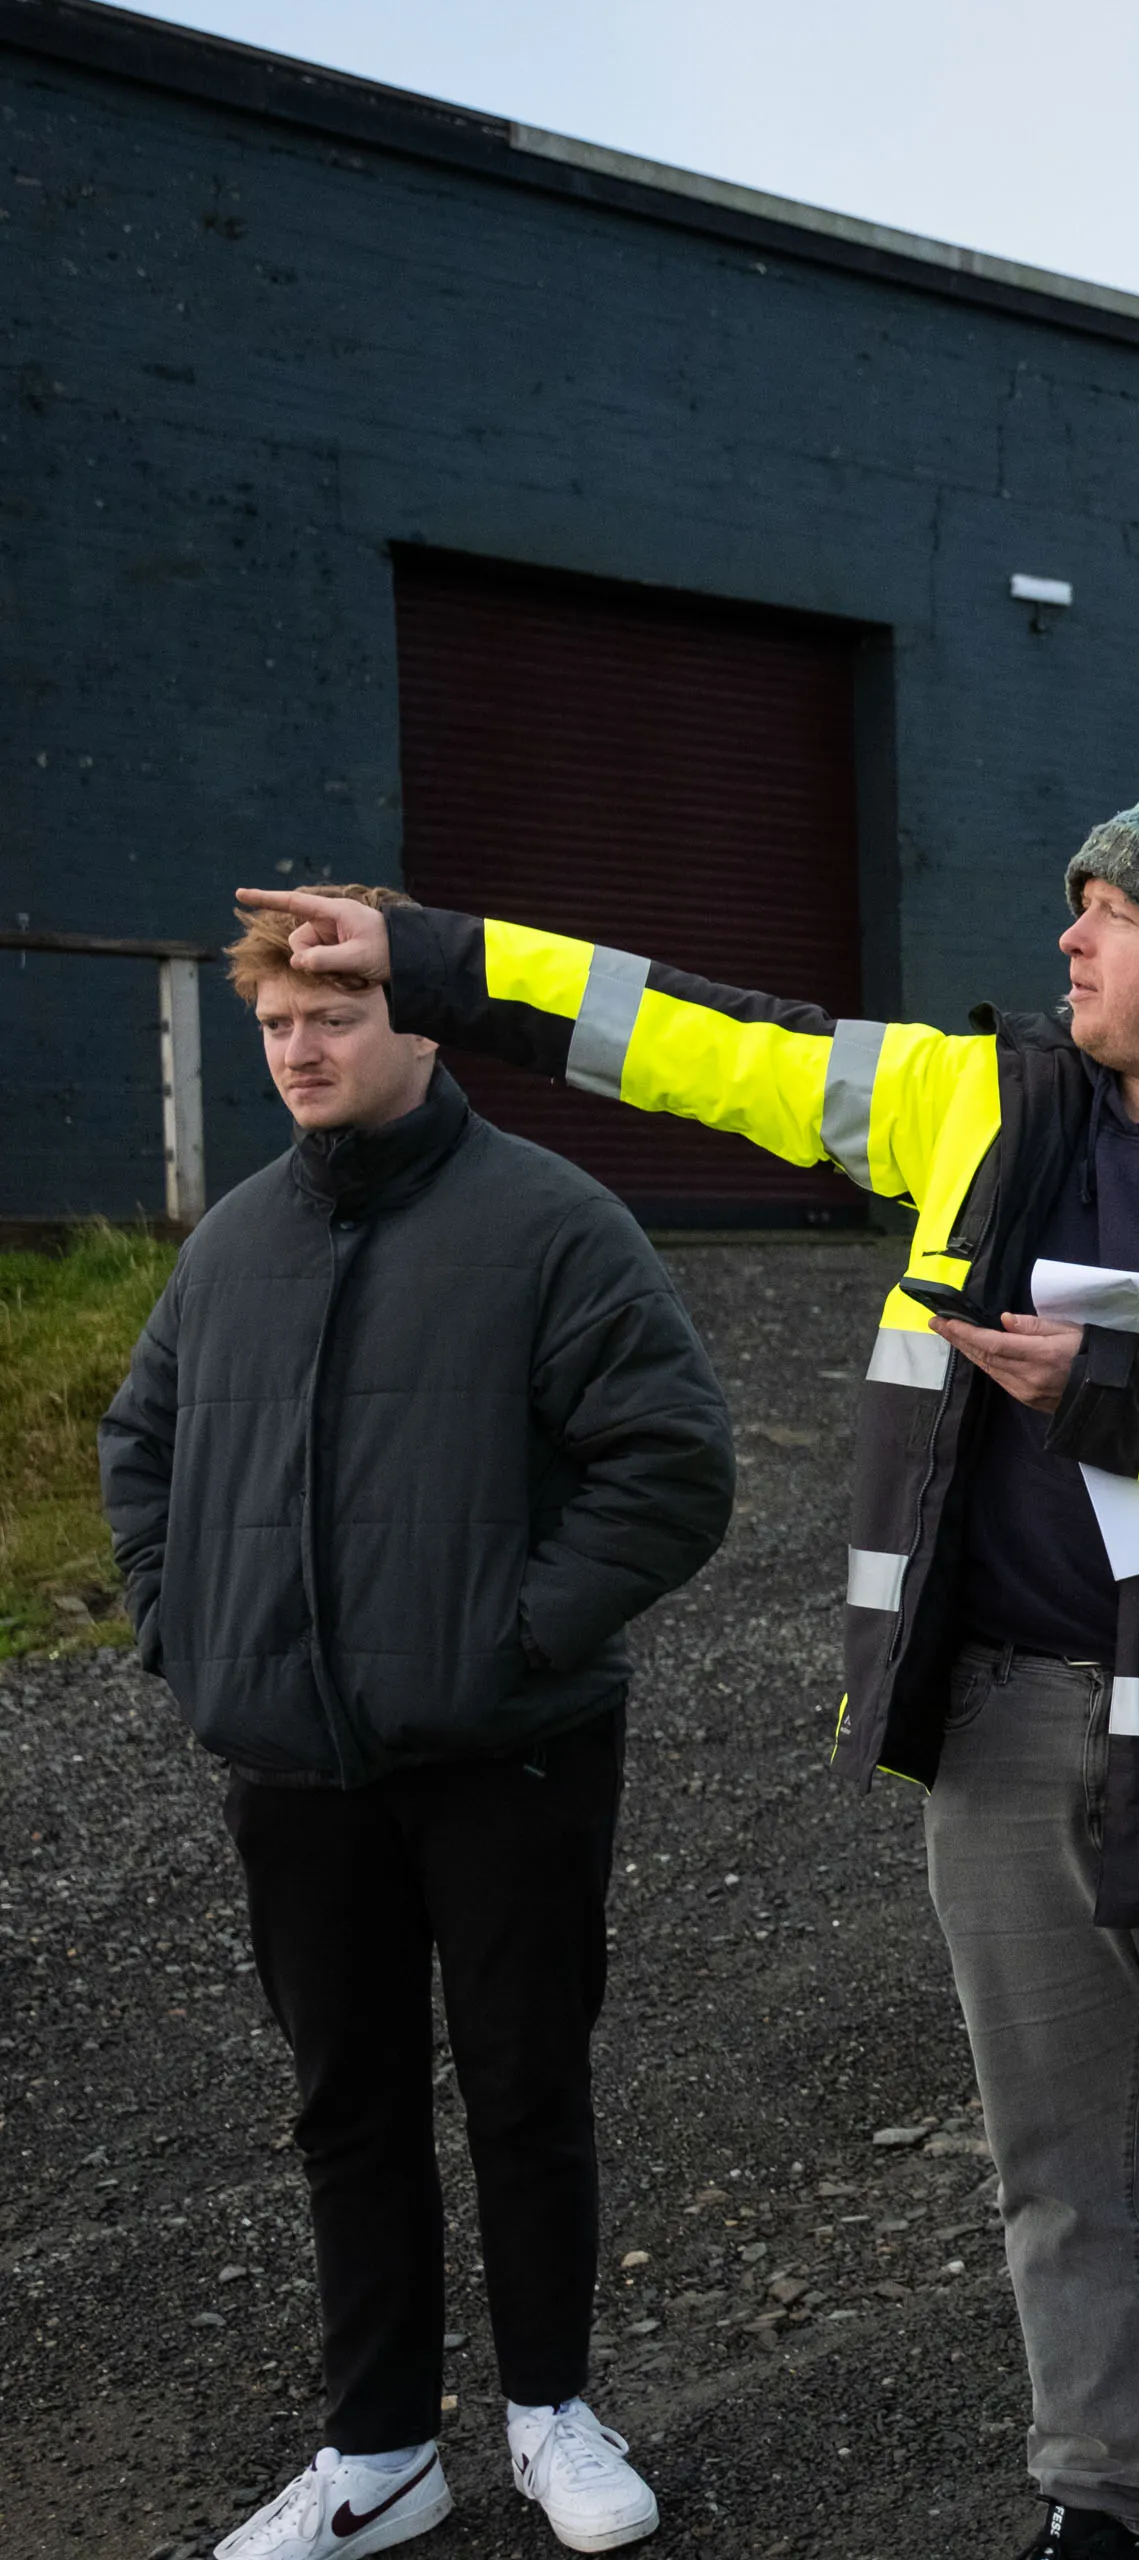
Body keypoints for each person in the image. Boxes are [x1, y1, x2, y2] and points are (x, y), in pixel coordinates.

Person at [238, 758, 1139, 2560]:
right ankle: (1102, 2502)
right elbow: (701, 1037)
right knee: (1057, 2168)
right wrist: (432, 958)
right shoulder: (971, 1101)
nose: (1069, 933)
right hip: (995, 1714)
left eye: (1112, 912)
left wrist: (1119, 1392)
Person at [103, 885, 732, 2558]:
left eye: (332, 1016)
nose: (300, 1049)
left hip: (508, 1751)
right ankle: (378, 2456)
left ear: (417, 1021)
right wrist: (191, 1634)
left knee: (525, 2084)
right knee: (348, 2105)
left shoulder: (552, 1224)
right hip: (296, 1764)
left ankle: (552, 2416)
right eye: (277, 1027)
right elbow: (141, 1443)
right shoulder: (238, 1238)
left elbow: (671, 1467)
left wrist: (506, 1643)